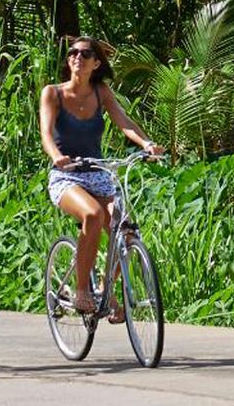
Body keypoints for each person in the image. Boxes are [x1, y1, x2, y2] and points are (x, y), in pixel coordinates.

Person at [39, 36, 163, 322]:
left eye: (85, 54)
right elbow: (46, 132)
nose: (77, 58)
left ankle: (107, 288)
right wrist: (56, 154)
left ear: (96, 63)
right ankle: (82, 289)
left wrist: (146, 144)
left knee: (126, 229)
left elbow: (124, 122)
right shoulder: (53, 93)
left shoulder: (101, 92)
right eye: (73, 53)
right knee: (93, 215)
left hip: (99, 175)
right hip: (66, 176)